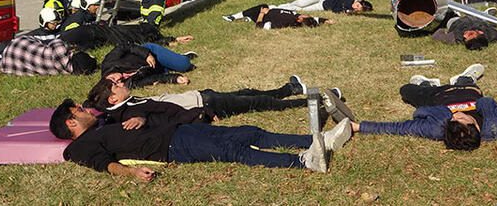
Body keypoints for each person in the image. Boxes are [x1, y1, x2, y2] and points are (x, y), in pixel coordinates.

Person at [49, 98, 353, 178]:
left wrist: (140, 118)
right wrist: (130, 173)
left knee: (248, 132)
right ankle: (303, 162)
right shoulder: (79, 147)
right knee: (235, 150)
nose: (84, 108)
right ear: (71, 122)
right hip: (171, 147)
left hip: (179, 131)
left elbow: (135, 116)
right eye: (78, 109)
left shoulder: (102, 123)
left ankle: (313, 141)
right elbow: (103, 164)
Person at [349, 64, 497, 151]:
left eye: (454, 119)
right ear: (475, 127)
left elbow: (399, 128)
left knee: (407, 89)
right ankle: (464, 77)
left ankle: (426, 83)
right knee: (466, 82)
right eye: (462, 119)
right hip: (467, 89)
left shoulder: (437, 128)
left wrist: (359, 127)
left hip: (435, 96)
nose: (457, 115)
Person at [88, 75, 313, 122]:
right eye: (115, 86)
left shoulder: (127, 103)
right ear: (112, 100)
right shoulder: (128, 112)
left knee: (250, 93)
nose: (120, 83)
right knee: (258, 103)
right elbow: (167, 117)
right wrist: (202, 116)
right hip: (205, 105)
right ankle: (309, 101)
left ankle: (289, 89)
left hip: (201, 97)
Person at [99, 41, 195, 87]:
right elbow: (151, 79)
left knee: (184, 64)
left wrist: (146, 54)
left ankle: (181, 57)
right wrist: (174, 78)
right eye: (117, 83)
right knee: (181, 68)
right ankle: (171, 60)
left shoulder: (109, 63)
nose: (118, 79)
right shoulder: (128, 84)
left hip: (150, 53)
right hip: (156, 69)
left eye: (113, 78)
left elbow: (124, 46)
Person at [0, 35, 97, 76]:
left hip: (17, 46)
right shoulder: (62, 70)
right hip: (9, 63)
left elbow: (55, 41)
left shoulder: (60, 49)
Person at [222, 4, 333, 29]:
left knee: (259, 7)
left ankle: (233, 17)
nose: (304, 14)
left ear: (300, 20)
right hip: (270, 9)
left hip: (263, 16)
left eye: (304, 16)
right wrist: (327, 20)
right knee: (264, 5)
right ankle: (246, 18)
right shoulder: (298, 16)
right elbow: (315, 19)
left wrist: (262, 13)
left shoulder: (284, 22)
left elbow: (260, 26)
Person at [431, 15, 497, 51]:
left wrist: (445, 31)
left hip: (457, 20)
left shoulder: (454, 37)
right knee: (484, 22)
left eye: (465, 39)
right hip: (479, 19)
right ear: (480, 32)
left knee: (450, 18)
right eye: (471, 34)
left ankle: (455, 13)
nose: (465, 35)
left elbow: (436, 35)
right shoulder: (492, 34)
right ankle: (485, 16)